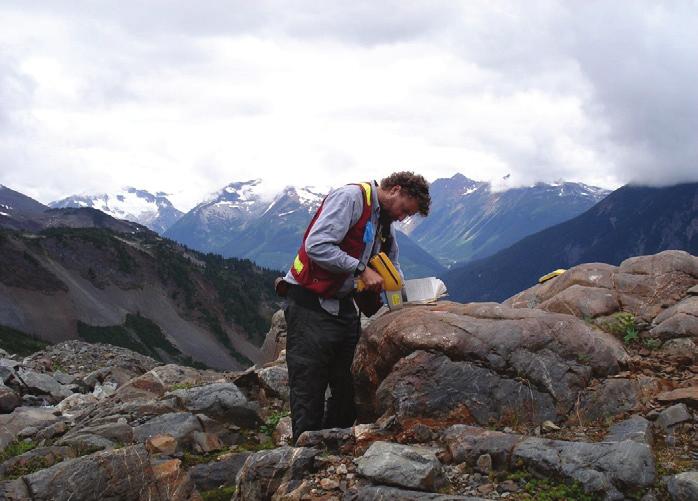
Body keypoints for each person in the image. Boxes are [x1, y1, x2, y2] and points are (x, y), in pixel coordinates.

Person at [279, 171, 431, 443]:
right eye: (404, 210)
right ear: (396, 189)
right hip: (310, 302)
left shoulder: (383, 221)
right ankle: (304, 454)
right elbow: (317, 244)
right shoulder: (351, 198)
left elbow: (391, 262)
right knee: (308, 385)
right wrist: (361, 270)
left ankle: (330, 444)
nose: (403, 217)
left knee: (348, 384)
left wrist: (403, 294)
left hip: (342, 304)